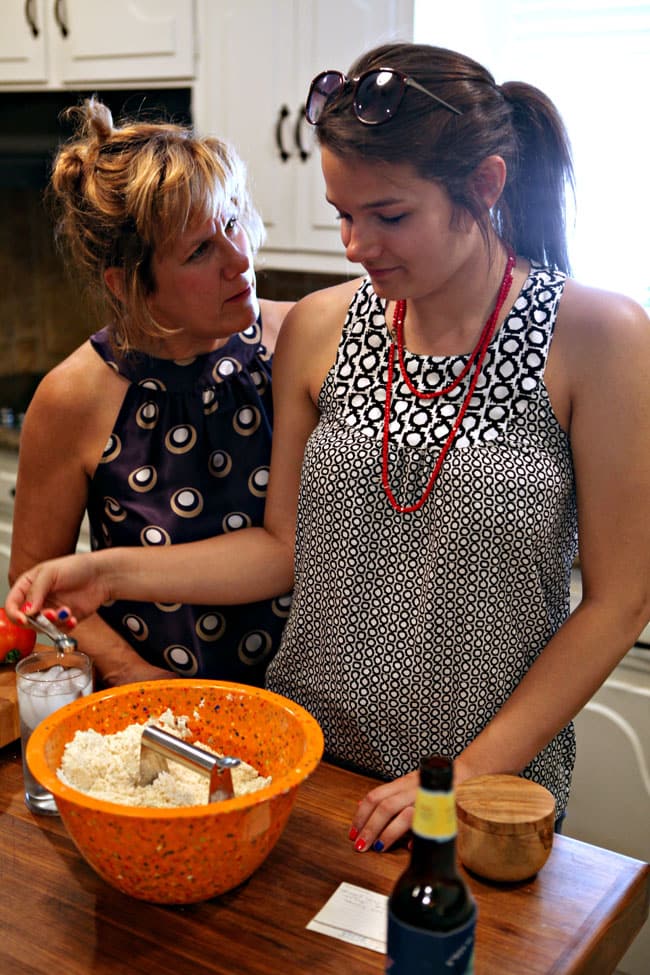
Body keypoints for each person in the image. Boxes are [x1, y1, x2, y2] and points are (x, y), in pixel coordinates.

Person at [8, 44, 650, 854]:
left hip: (485, 785)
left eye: (388, 216)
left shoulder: (601, 338)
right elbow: (282, 551)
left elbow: (620, 601)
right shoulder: (319, 326)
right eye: (342, 213)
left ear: (484, 186)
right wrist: (107, 571)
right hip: (306, 760)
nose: (354, 244)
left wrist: (460, 775)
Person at [8, 97, 294, 688]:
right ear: (128, 284)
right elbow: (40, 583)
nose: (240, 259)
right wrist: (135, 676)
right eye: (198, 251)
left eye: (234, 219)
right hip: (154, 718)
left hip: (309, 709)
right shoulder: (74, 397)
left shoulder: (298, 344)